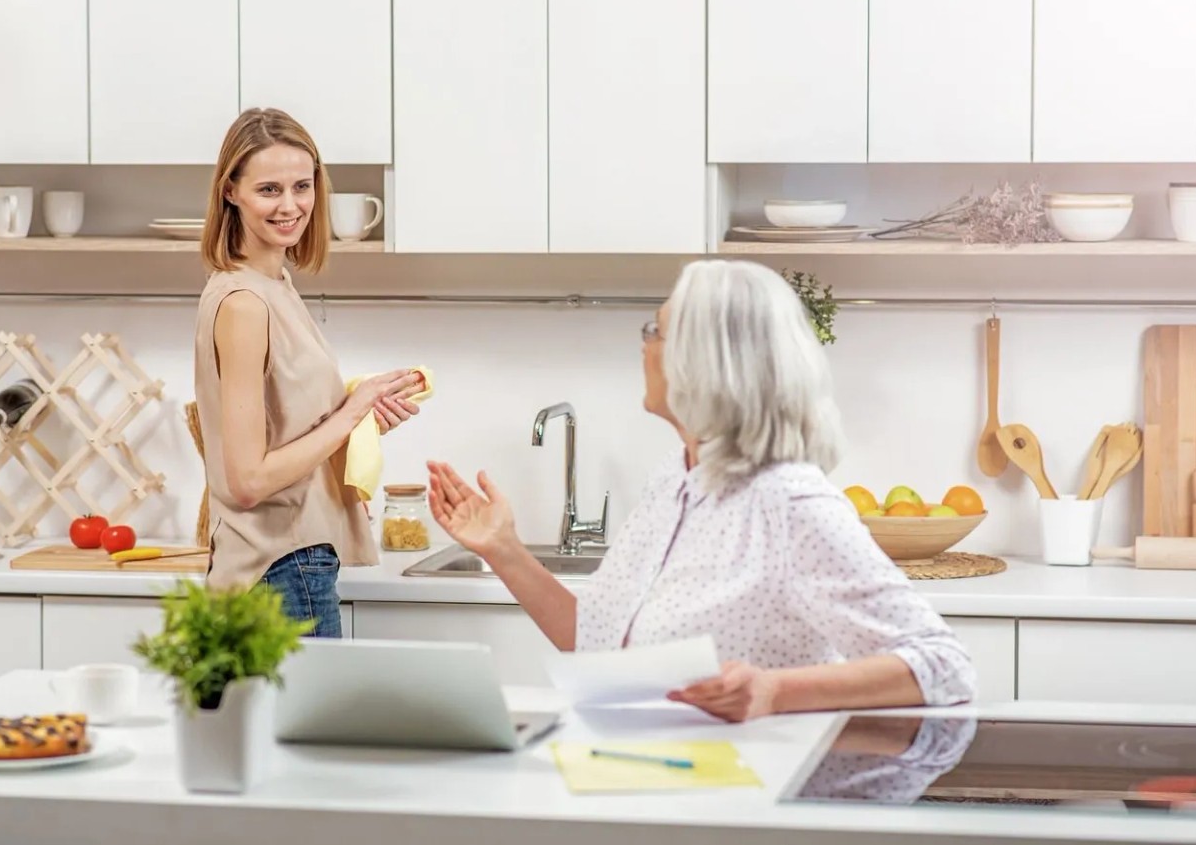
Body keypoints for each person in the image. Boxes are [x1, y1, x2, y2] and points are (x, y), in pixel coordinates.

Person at [427, 259, 976, 720]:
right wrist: (503, 548)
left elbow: (943, 664)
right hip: (654, 785)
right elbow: (595, 645)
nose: (644, 347)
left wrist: (774, 692)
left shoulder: (790, 501)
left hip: (746, 799)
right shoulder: (675, 480)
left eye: (656, 331)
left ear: (708, 361)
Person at [194, 108, 422, 635]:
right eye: (269, 189)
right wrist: (351, 413)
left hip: (292, 564)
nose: (291, 205)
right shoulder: (246, 302)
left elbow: (289, 431)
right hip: (279, 571)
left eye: (303, 185)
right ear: (231, 191)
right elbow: (248, 481)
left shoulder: (276, 286)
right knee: (302, 723)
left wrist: (358, 415)